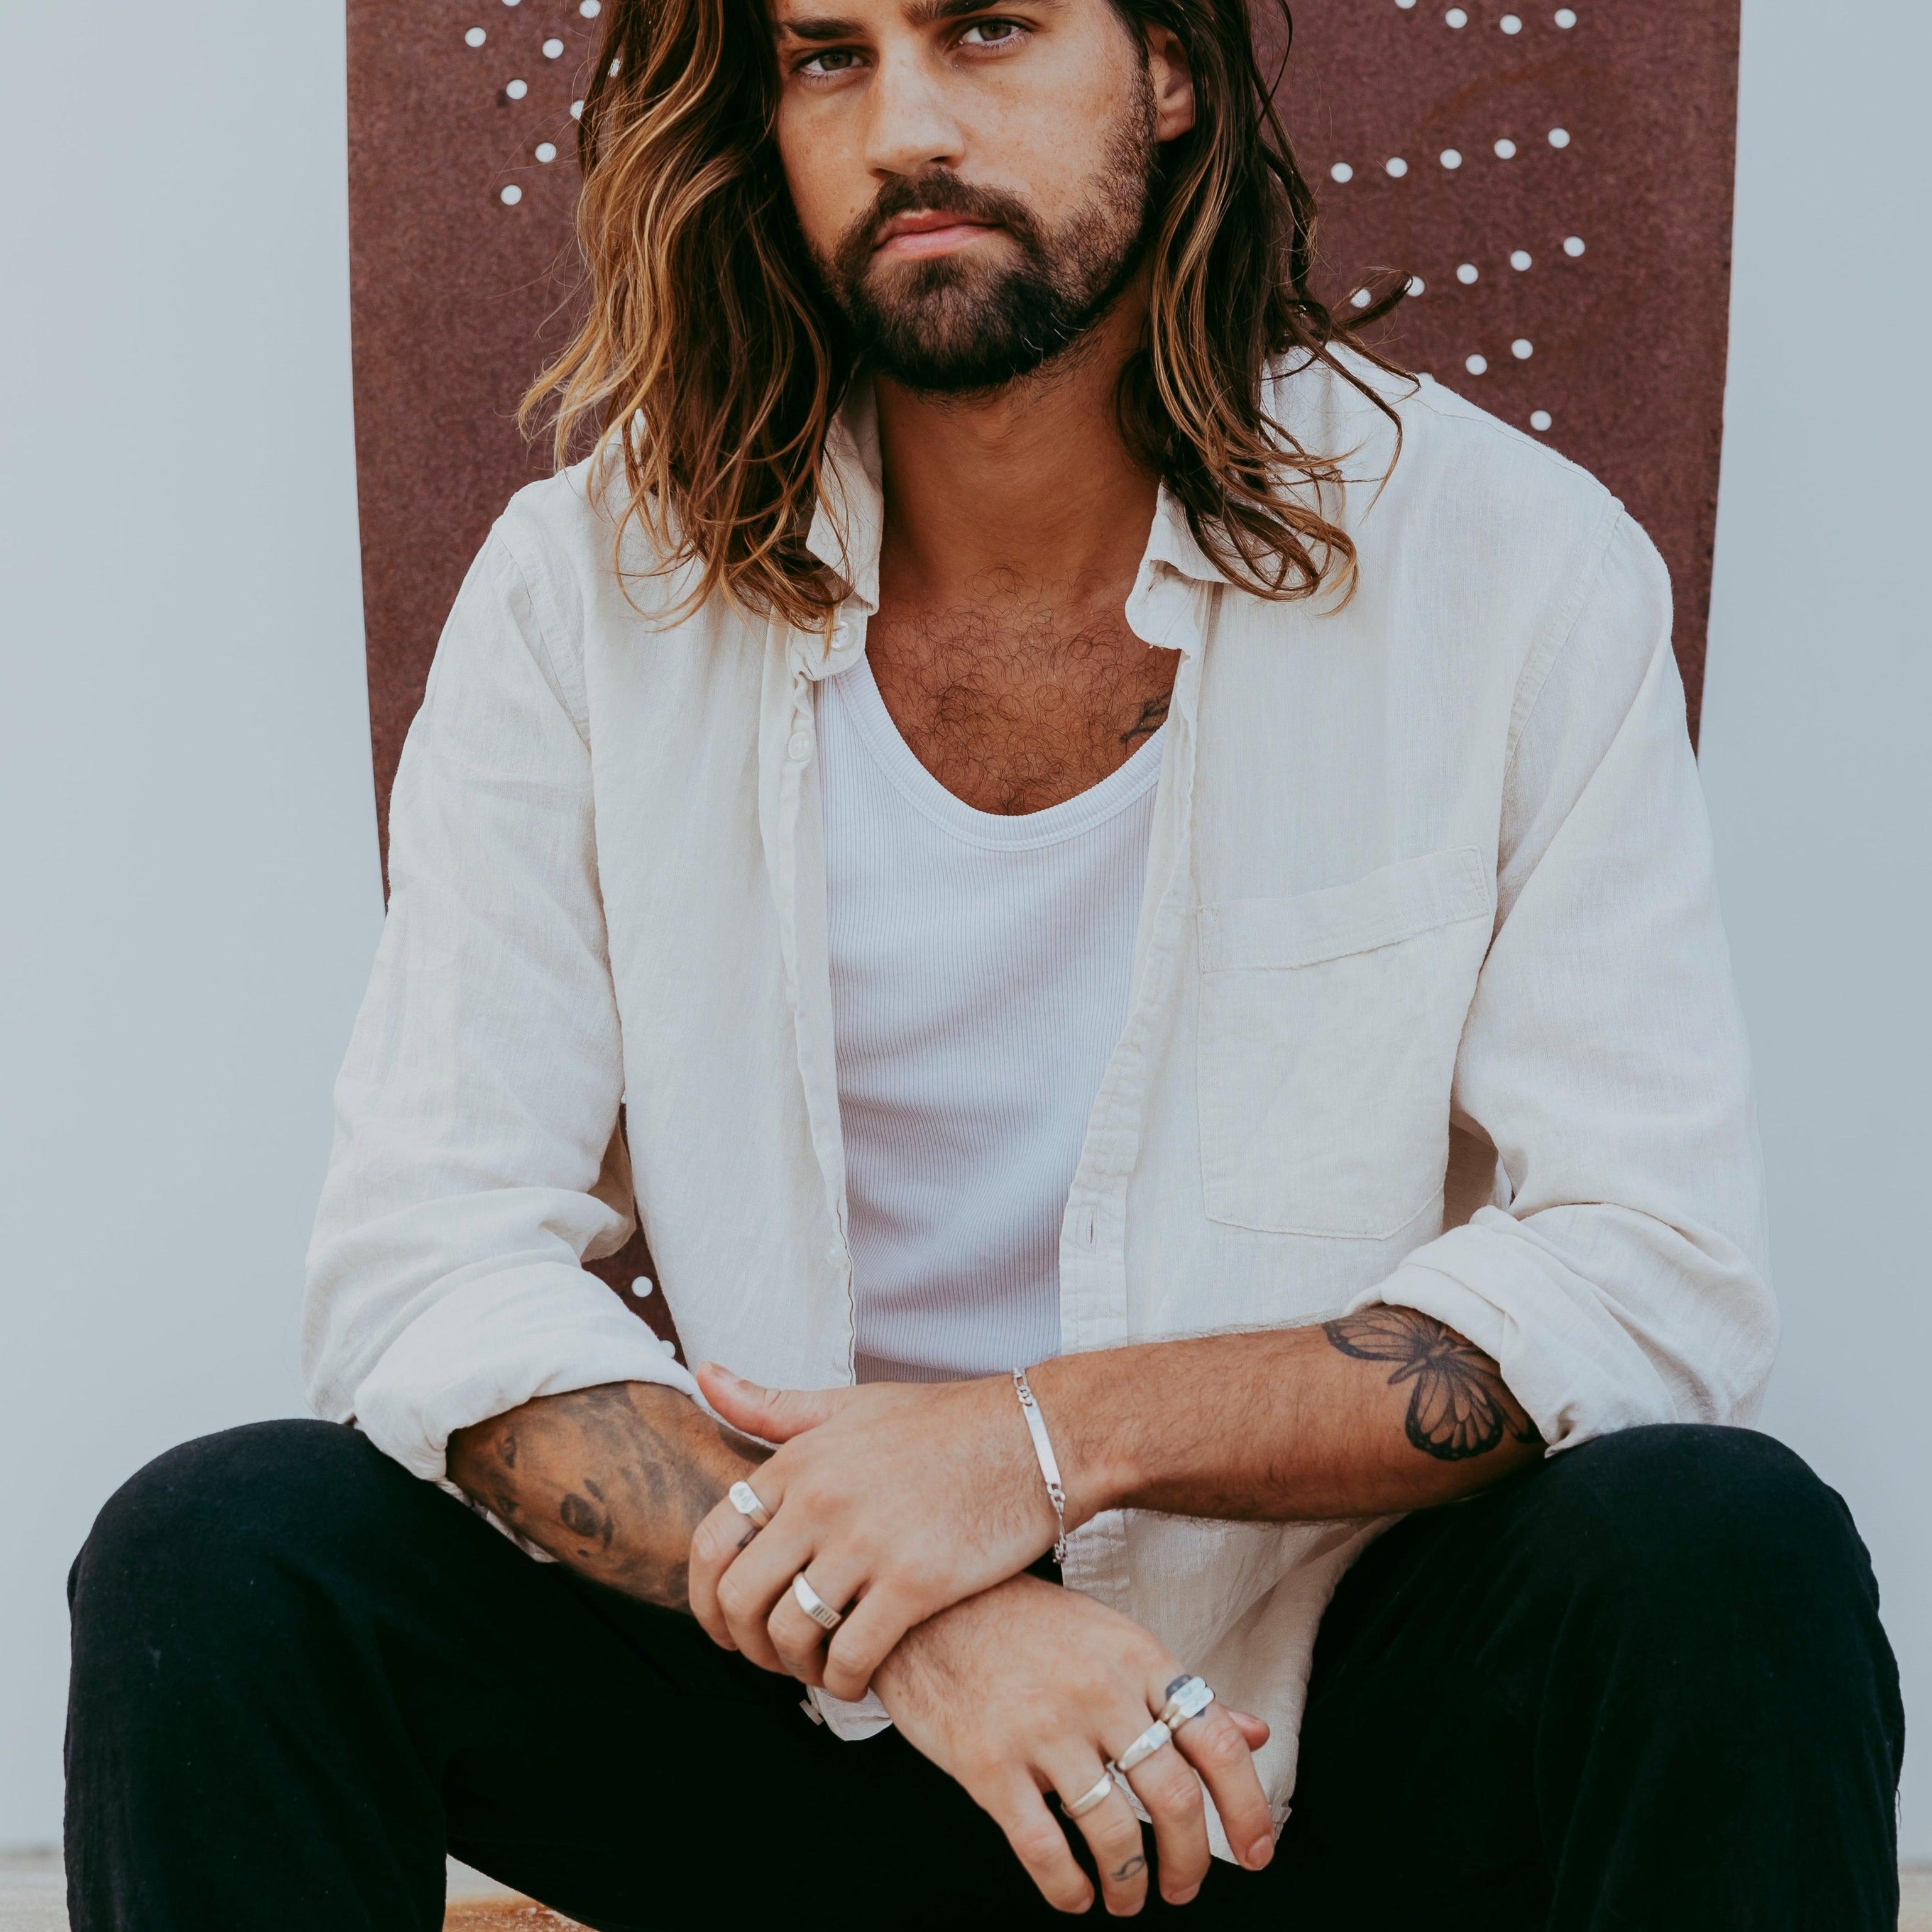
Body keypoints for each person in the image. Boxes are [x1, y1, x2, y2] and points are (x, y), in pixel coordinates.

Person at [64, 0, 1903, 1925]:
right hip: (808, 1743)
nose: (908, 124)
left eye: (990, 28)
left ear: (1170, 67)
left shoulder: (1506, 571)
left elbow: (1647, 1266)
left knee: (1723, 1549)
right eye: (827, 55)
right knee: (223, 1557)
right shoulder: (591, 594)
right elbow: (424, 1264)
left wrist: (1036, 1448)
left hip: (1307, 1748)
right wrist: (913, 1626)